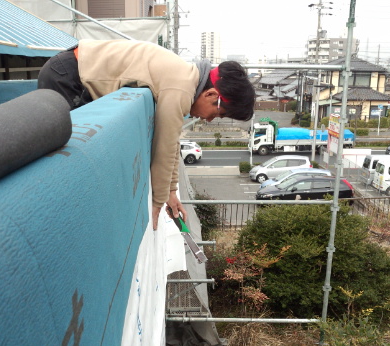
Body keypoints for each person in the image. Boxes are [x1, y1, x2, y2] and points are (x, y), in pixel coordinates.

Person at [37, 39, 255, 229]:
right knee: (70, 155)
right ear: (211, 94)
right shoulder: (181, 88)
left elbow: (172, 142)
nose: (209, 119)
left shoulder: (184, 78)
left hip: (71, 69)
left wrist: (170, 191)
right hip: (67, 75)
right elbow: (165, 145)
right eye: (217, 114)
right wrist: (158, 203)